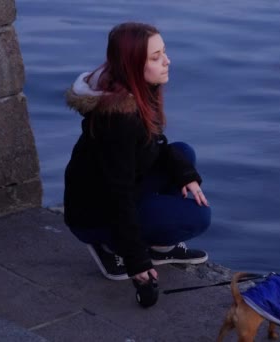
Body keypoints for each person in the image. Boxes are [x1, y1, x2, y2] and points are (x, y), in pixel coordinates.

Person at [63, 22, 211, 284]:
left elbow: (153, 144)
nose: (167, 61)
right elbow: (117, 193)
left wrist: (185, 174)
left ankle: (159, 248)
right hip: (95, 213)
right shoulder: (118, 120)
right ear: (132, 65)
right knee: (198, 217)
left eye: (164, 52)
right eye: (156, 57)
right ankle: (109, 246)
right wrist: (135, 258)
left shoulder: (132, 92)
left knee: (182, 154)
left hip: (108, 191)